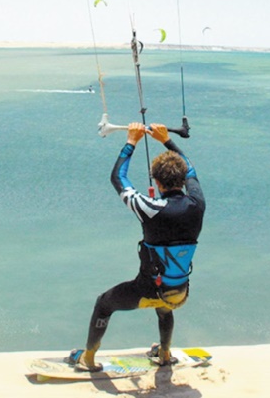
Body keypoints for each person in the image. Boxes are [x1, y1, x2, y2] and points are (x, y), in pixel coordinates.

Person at [70, 122, 205, 371]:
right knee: (165, 309)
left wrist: (131, 141)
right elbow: (192, 172)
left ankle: (87, 359)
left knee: (103, 304)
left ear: (156, 181)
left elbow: (118, 178)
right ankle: (164, 354)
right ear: (182, 180)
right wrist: (166, 141)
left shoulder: (149, 208)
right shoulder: (197, 203)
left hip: (147, 291)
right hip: (179, 293)